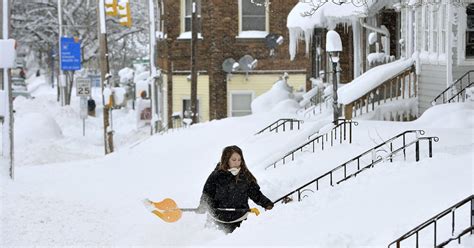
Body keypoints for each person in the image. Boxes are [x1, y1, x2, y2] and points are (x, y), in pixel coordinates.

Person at [197, 145, 274, 233]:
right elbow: (207, 194)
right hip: (217, 220)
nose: (237, 163)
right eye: (234, 160)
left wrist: (267, 204)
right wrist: (203, 206)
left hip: (239, 221)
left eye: (239, 160)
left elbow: (256, 194)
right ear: (226, 160)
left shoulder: (245, 176)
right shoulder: (216, 176)